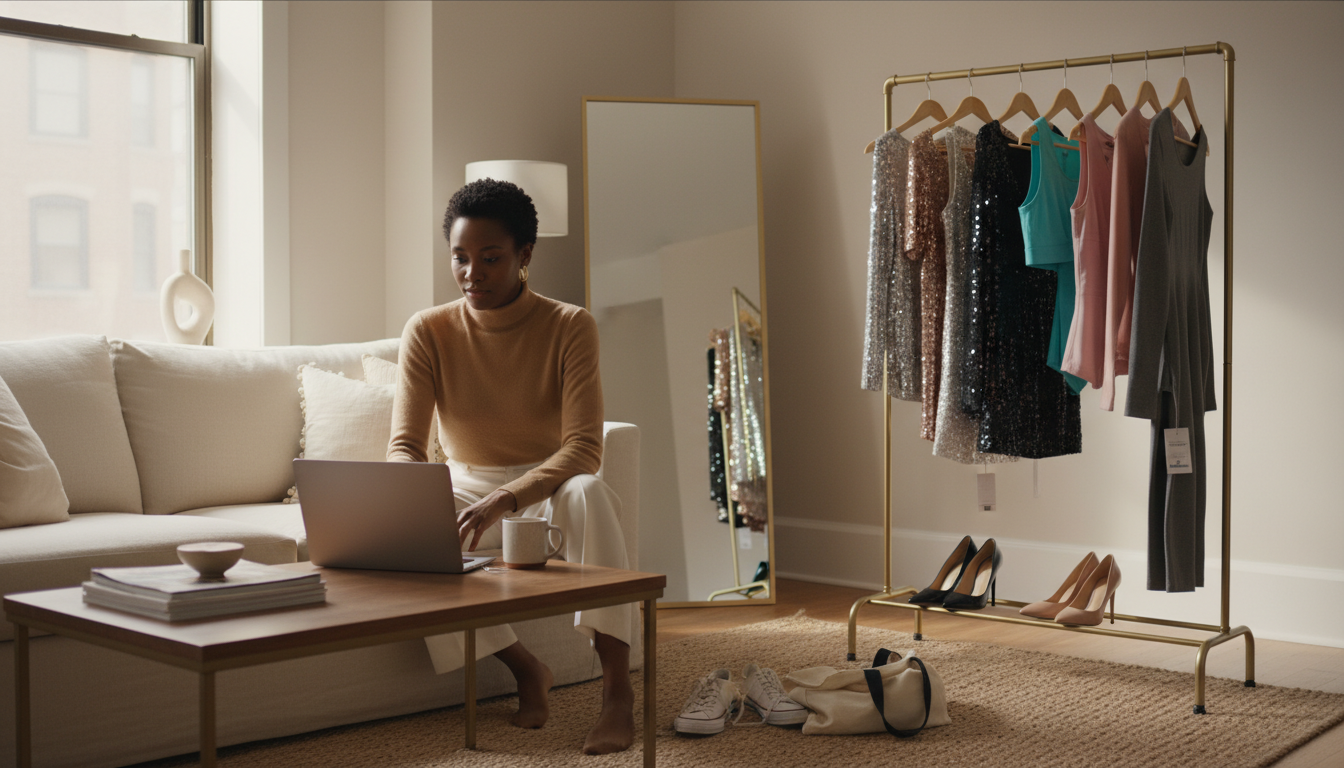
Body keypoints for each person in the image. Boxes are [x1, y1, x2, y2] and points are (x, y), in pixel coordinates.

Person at [387, 179, 635, 754]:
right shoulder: (427, 330)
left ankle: (618, 692)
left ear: (525, 255)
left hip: (547, 483)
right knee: (405, 534)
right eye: (460, 257)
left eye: (490, 258)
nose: (472, 273)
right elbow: (406, 444)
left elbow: (582, 449)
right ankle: (526, 668)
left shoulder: (570, 325)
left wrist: (510, 497)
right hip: (463, 482)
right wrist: (405, 490)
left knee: (591, 494)